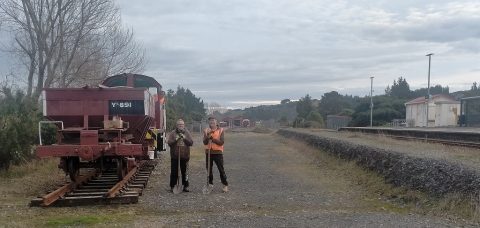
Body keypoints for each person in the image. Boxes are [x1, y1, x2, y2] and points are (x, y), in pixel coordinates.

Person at [203, 116, 229, 192]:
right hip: (209, 152)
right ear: (209, 123)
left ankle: (225, 185)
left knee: (221, 169)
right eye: (211, 122)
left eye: (213, 122)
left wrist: (212, 139)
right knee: (209, 169)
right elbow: (204, 142)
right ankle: (210, 184)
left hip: (218, 153)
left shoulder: (221, 130)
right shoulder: (206, 130)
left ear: (216, 122)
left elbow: (221, 142)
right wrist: (208, 137)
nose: (212, 123)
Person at [167, 119, 193, 192]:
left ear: (184, 125)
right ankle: (173, 186)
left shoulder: (187, 133)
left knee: (185, 172)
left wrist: (184, 138)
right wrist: (176, 139)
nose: (180, 126)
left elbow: (191, 143)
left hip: (185, 156)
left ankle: (186, 186)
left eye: (182, 124)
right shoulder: (173, 133)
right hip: (175, 156)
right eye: (179, 125)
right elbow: (169, 143)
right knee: (174, 172)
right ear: (177, 125)